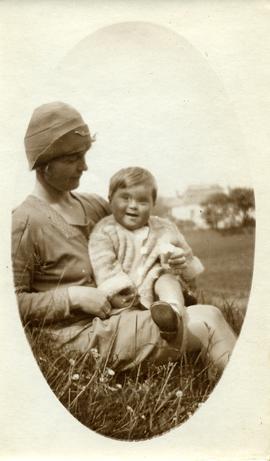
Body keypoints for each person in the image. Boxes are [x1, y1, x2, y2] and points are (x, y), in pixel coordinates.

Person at [12, 101, 236, 373]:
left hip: (124, 316)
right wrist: (73, 297)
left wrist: (171, 256)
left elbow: (145, 233)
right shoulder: (25, 221)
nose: (84, 166)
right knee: (209, 319)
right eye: (72, 159)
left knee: (202, 315)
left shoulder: (95, 205)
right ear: (44, 165)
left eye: (84, 156)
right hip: (78, 336)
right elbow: (13, 301)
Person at [89, 166, 204, 346]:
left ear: (153, 204)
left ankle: (172, 313)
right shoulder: (104, 231)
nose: (133, 206)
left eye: (142, 201)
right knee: (126, 320)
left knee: (165, 279)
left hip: (158, 291)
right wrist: (118, 292)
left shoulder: (164, 227)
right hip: (126, 299)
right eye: (125, 198)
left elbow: (185, 253)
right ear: (110, 199)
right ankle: (141, 333)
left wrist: (181, 261)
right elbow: (105, 266)